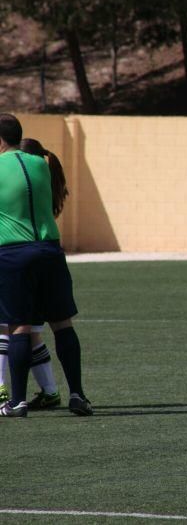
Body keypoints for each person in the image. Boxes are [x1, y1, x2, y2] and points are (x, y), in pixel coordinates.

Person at [0, 114, 91, 417]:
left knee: (19, 327)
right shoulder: (40, 163)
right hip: (50, 250)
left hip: (14, 254)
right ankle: (77, 394)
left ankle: (17, 401)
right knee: (62, 323)